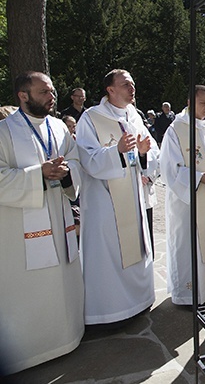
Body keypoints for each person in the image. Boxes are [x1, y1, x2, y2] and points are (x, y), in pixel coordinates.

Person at [0, 71, 84, 374]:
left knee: (60, 278)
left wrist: (66, 173)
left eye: (52, 92)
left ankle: (65, 336)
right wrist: (38, 174)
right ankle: (30, 348)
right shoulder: (4, 132)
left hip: (58, 214)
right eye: (43, 93)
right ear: (23, 96)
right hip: (20, 229)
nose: (52, 98)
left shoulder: (59, 128)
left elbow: (75, 160)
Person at [76, 69, 156, 325]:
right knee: (109, 252)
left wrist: (144, 154)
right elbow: (87, 158)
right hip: (105, 201)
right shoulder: (91, 118)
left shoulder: (135, 116)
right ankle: (110, 312)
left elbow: (151, 153)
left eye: (133, 83)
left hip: (132, 195)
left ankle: (138, 302)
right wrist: (117, 151)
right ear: (110, 90)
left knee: (136, 248)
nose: (132, 88)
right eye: (125, 84)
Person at [161, 85, 205, 305]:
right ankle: (188, 295)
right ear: (190, 102)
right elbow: (170, 167)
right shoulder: (176, 129)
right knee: (188, 244)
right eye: (203, 103)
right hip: (187, 202)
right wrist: (199, 178)